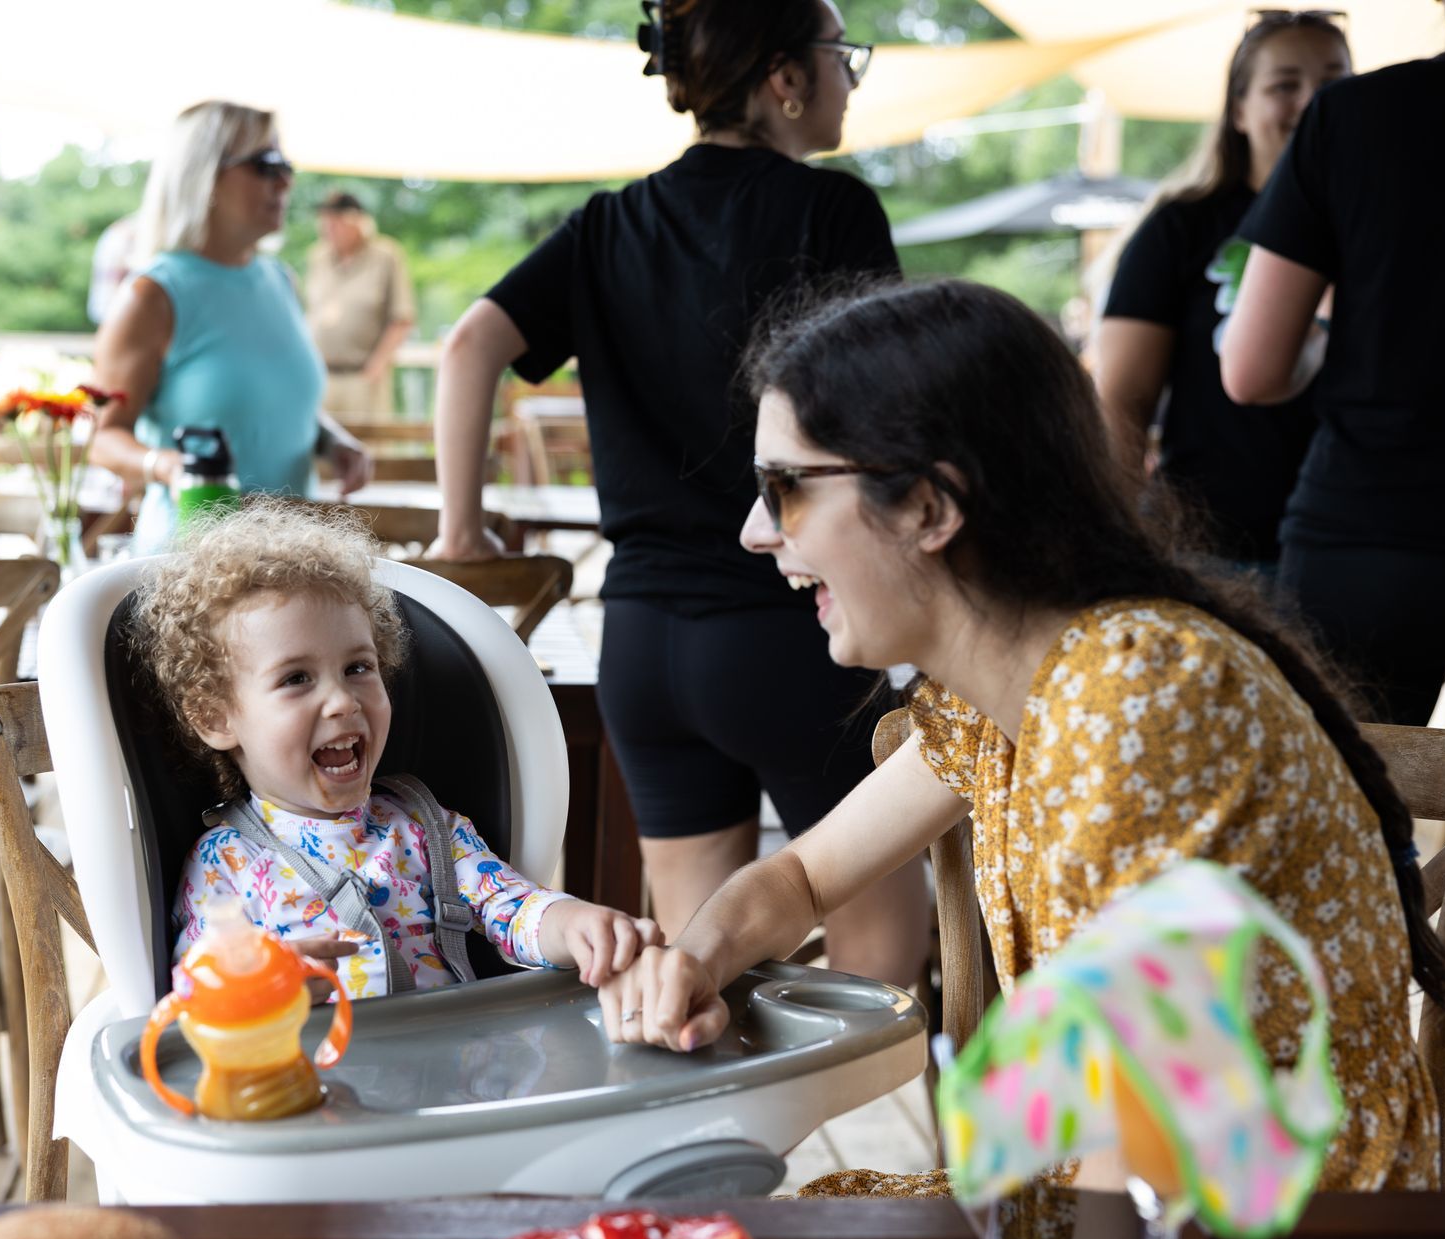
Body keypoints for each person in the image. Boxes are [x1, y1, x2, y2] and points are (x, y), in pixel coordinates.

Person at [601, 281, 1445, 1239]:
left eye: (783, 486)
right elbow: (797, 875)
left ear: (928, 504)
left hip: (1274, 1238)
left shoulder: (1136, 700)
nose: (757, 533)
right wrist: (696, 960)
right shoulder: (1012, 688)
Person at [427, 0, 926, 981]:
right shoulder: (833, 210)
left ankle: (735, 1140)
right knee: (884, 977)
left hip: (647, 645)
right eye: (840, 55)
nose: (849, 77)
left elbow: (467, 344)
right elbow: (888, 402)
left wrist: (459, 524)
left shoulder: (610, 223)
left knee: (701, 976)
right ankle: (874, 1142)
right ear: (785, 77)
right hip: (795, 633)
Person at [136, 500, 661, 1000]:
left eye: (358, 668)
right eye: (297, 678)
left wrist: (581, 927)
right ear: (216, 717)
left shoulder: (427, 831)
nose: (342, 700)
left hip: (448, 1070)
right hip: (316, 1079)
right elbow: (196, 994)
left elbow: (517, 910)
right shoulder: (223, 864)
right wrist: (260, 987)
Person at [1220, 1, 1445, 727]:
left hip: (1375, 527)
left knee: (1351, 824)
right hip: (1374, 530)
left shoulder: (1358, 115)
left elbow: (1251, 370)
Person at [1097, 11, 1348, 573]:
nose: (1312, 101)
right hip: (1209, 544)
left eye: (1335, 83)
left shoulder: (1383, 228)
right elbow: (1122, 396)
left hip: (1352, 544)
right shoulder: (1181, 226)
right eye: (1285, 85)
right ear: (1238, 110)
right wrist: (1112, 537)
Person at [86, 102, 371, 556]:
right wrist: (164, 466)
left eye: (286, 165)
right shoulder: (151, 295)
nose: (285, 180)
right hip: (191, 568)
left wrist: (333, 440)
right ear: (204, 175)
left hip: (295, 562)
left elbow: (270, 400)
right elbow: (101, 437)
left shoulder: (280, 281)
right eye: (266, 164)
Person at [305, 191, 416, 423]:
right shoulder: (317, 256)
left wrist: (375, 368)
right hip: (321, 374)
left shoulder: (386, 255)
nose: (328, 228)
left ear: (358, 222)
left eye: (336, 221)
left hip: (362, 378)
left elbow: (402, 317)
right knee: (321, 452)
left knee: (368, 448)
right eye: (325, 221)